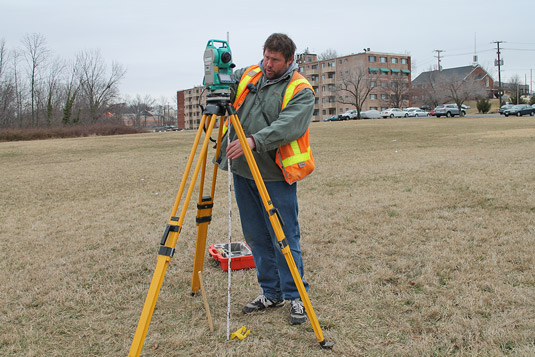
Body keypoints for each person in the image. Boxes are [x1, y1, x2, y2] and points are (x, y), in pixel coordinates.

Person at [217, 33, 315, 325]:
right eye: (266, 57)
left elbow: (289, 126)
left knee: (284, 236)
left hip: (274, 175)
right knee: (256, 236)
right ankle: (271, 292)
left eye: (274, 60)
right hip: (243, 171)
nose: (268, 64)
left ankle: (296, 296)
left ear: (289, 61)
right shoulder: (251, 73)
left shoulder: (300, 89)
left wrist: (253, 141)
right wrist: (214, 87)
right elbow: (228, 85)